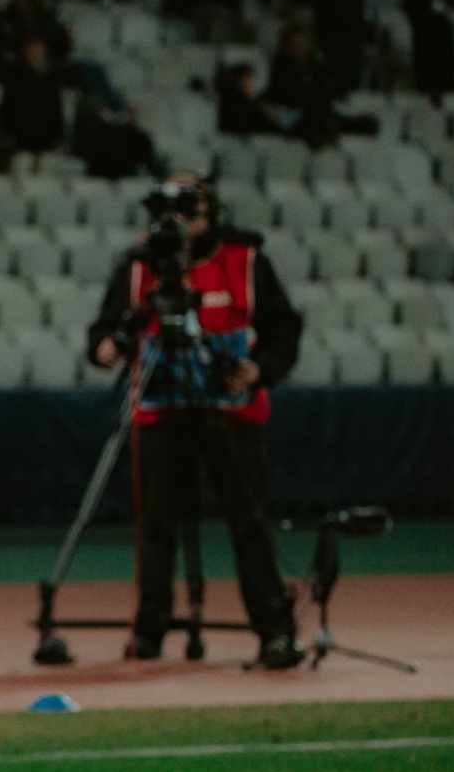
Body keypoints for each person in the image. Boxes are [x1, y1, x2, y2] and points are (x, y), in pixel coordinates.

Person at [86, 173, 306, 670]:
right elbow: (103, 331)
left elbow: (284, 330)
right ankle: (149, 629)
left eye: (190, 211)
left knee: (249, 522)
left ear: (211, 213)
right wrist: (105, 348)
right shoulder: (139, 265)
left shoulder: (246, 260)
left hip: (232, 413)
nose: (180, 223)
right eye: (170, 212)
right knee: (155, 524)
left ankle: (275, 627)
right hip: (160, 412)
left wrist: (259, 369)